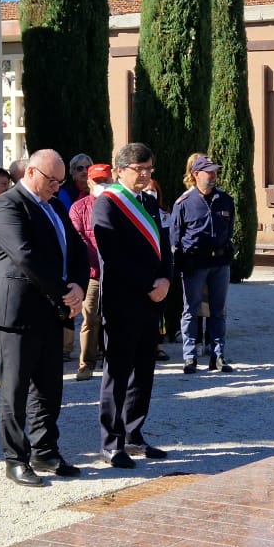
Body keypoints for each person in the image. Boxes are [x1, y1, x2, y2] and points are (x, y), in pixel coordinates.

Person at [0, 148, 90, 484]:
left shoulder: (56, 205)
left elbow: (77, 249)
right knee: (16, 389)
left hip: (52, 310)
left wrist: (78, 284)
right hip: (18, 312)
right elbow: (25, 256)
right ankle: (15, 459)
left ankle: (45, 451)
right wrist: (65, 292)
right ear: (31, 172)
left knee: (49, 388)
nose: (56, 187)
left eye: (60, 182)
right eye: (52, 180)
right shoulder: (8, 204)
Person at [92, 143, 174, 467]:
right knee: (118, 371)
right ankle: (112, 442)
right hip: (123, 300)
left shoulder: (150, 202)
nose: (145, 175)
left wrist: (166, 280)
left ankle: (135, 434)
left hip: (152, 299)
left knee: (144, 371)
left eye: (149, 169)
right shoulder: (108, 203)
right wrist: (147, 285)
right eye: (140, 169)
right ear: (121, 170)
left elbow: (164, 247)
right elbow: (113, 254)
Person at [167, 153, 236, 375]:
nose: (213, 176)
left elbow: (230, 230)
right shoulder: (184, 203)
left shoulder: (225, 200)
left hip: (220, 263)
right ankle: (190, 357)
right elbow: (175, 238)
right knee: (191, 310)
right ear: (196, 175)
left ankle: (218, 356)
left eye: (215, 171)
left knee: (218, 311)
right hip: (195, 264)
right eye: (209, 172)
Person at [70, 163, 112, 382]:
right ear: (89, 182)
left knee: (114, 318)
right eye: (97, 181)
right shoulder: (79, 208)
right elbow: (79, 240)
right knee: (90, 319)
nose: (102, 185)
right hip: (93, 274)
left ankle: (113, 361)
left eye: (105, 180)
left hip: (116, 274)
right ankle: (86, 364)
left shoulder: (120, 206)